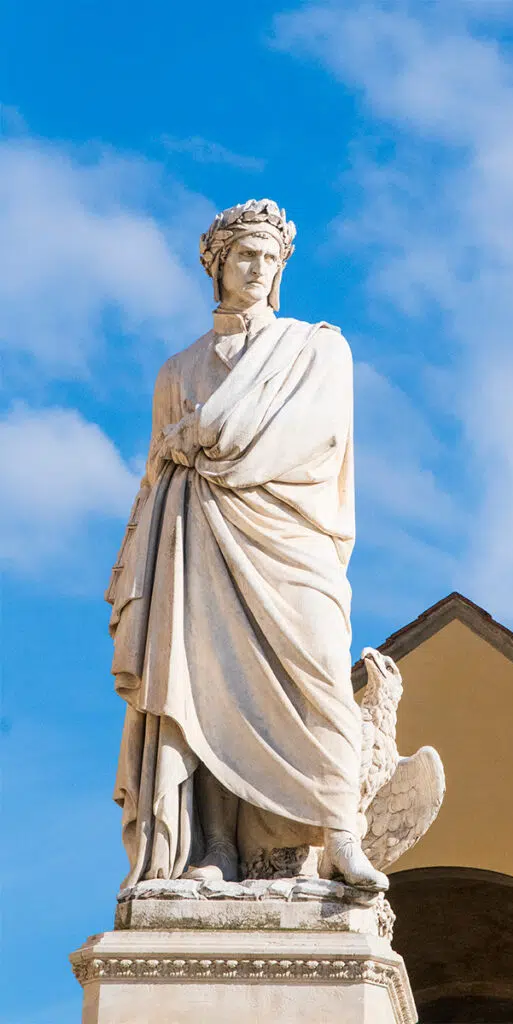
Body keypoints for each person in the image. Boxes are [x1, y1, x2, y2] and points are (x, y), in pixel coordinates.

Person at [106, 198, 388, 891]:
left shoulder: (317, 348)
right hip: (196, 538)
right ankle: (211, 852)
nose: (257, 268)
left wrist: (206, 439)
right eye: (243, 256)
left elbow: (314, 437)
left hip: (290, 536)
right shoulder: (178, 371)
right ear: (218, 267)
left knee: (319, 671)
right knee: (199, 684)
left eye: (268, 257)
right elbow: (154, 472)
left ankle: (335, 832)